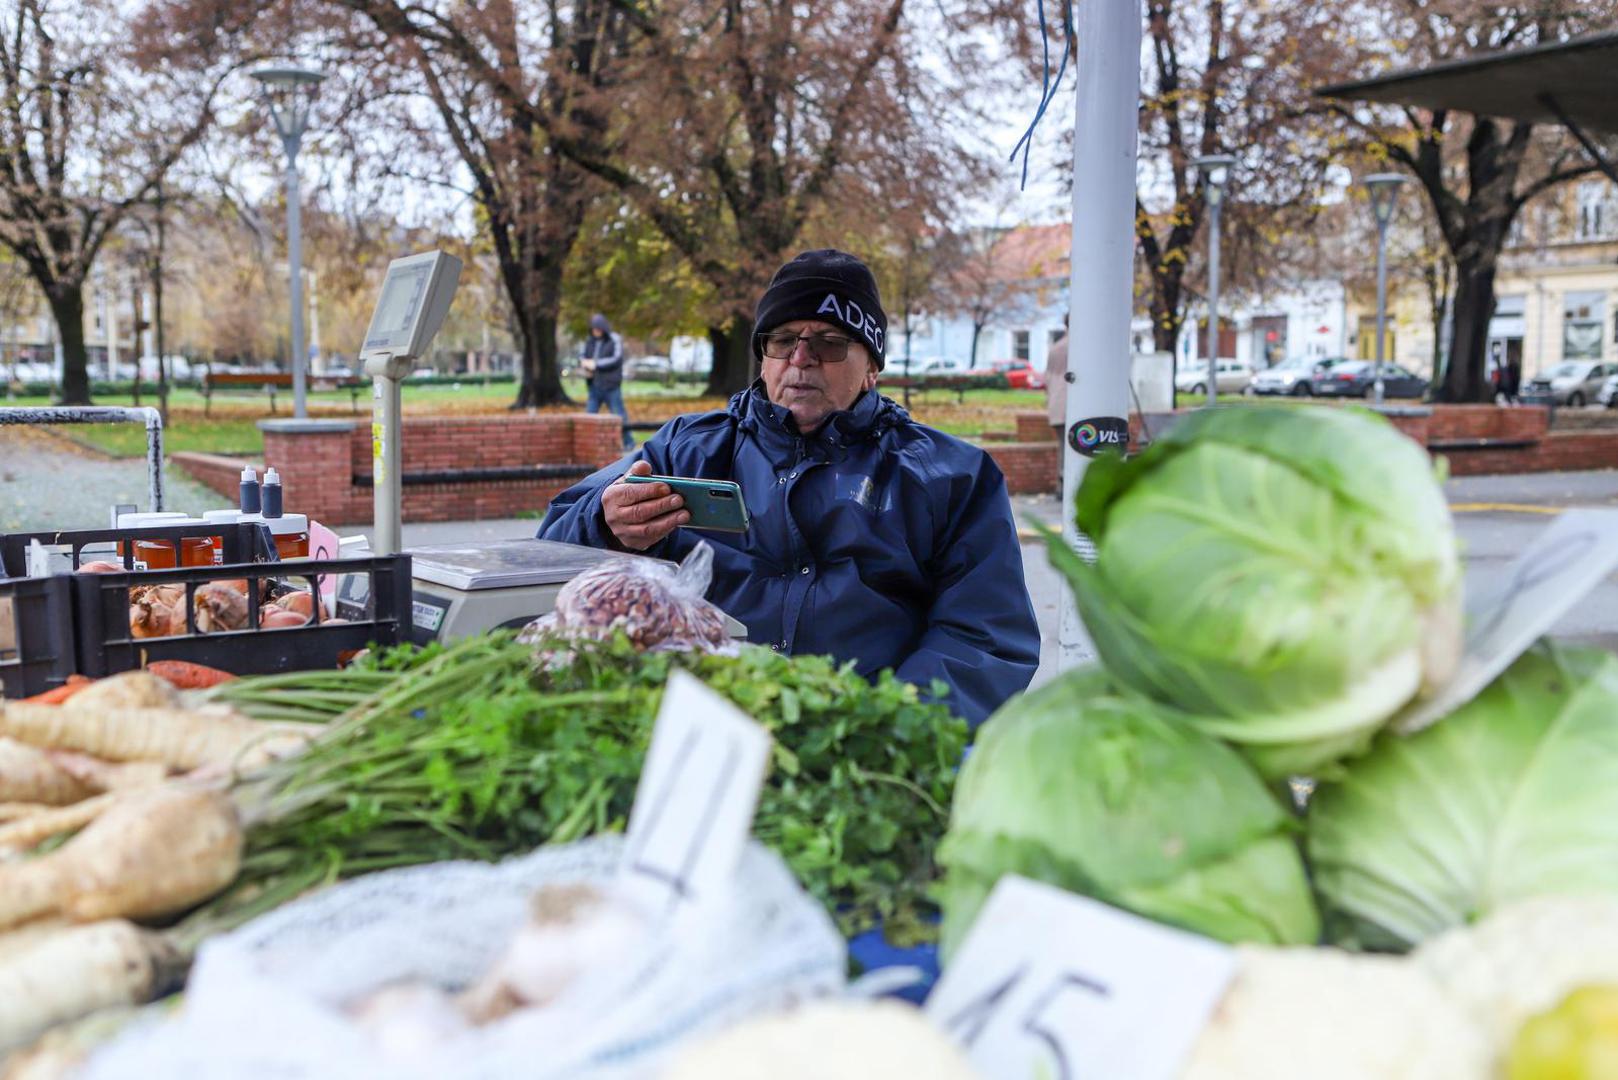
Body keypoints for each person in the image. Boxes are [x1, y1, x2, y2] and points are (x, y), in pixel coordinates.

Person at [539, 249, 1040, 725]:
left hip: (863, 743)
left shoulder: (948, 475)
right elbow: (553, 539)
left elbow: (985, 639)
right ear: (764, 357)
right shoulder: (684, 449)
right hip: (699, 725)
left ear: (871, 367)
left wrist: (884, 725)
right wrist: (606, 523)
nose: (801, 359)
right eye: (783, 341)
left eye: (828, 343)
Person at [581, 313, 634, 450]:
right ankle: (587, 445)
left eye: (598, 329)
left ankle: (629, 443)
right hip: (594, 384)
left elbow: (616, 358)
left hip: (611, 385)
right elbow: (583, 355)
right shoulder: (590, 341)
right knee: (589, 416)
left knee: (619, 415)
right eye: (593, 329)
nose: (595, 332)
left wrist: (596, 364)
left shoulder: (614, 339)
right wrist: (584, 362)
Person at [1044, 314, 1070, 439]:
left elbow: (1047, 378)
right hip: (1070, 406)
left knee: (1064, 449)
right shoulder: (1079, 346)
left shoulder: (1055, 347)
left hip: (1056, 405)